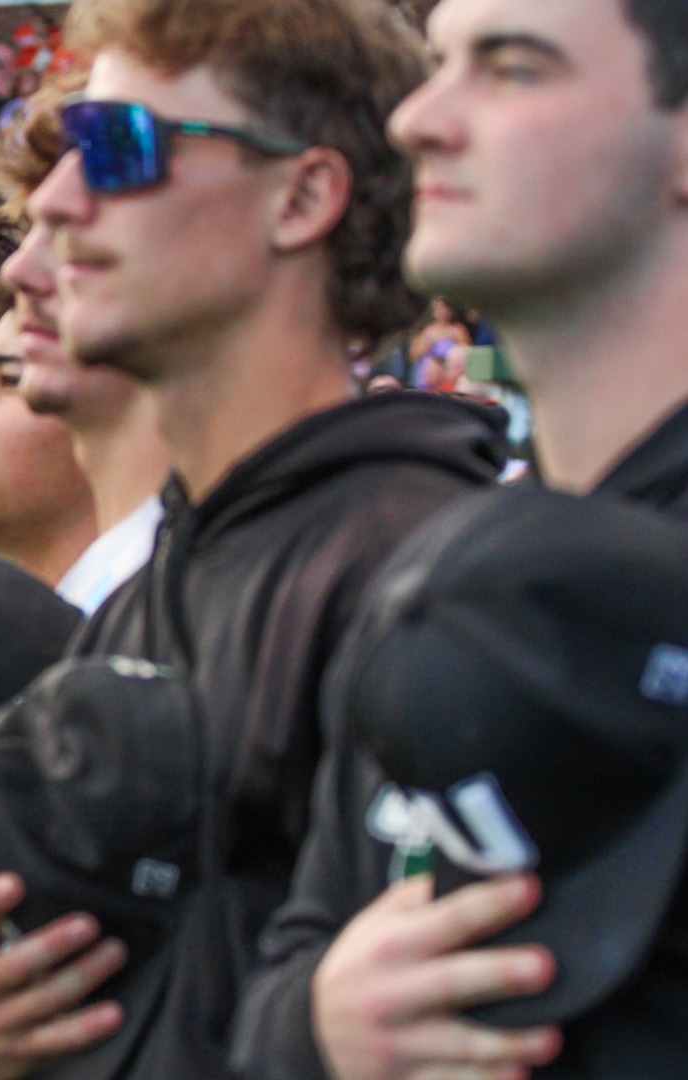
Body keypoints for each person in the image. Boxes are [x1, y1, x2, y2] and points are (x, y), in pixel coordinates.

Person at [0, 5, 500, 1077]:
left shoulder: (420, 577)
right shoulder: (171, 569)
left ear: (304, 196)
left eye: (118, 149)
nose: (59, 208)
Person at [240, 1, 688, 1077]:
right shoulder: (453, 572)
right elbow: (294, 955)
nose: (418, 120)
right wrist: (322, 1026)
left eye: (512, 67)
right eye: (436, 64)